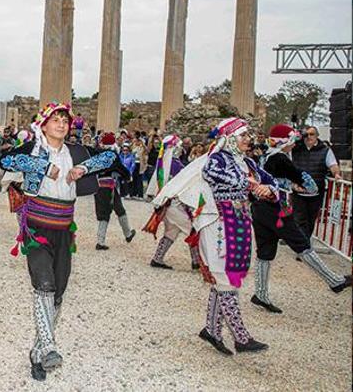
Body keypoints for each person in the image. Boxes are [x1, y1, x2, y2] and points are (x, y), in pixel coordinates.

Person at [0, 102, 116, 381]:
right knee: (44, 284)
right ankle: (50, 346)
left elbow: (111, 158)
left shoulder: (76, 151)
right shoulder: (33, 149)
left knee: (59, 291)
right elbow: (6, 160)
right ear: (43, 125)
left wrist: (84, 167)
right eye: (56, 120)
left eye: (65, 120)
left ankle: (38, 351)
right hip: (36, 226)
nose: (62, 125)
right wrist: (43, 166)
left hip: (64, 229)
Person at [153, 118, 275, 356]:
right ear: (230, 138)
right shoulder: (216, 159)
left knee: (228, 276)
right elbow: (213, 175)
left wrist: (268, 189)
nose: (248, 139)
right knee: (223, 275)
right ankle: (240, 337)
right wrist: (250, 184)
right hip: (217, 221)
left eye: (248, 135)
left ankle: (212, 330)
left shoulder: (248, 162)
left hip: (240, 221)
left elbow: (269, 182)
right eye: (243, 135)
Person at [250, 124, 351, 313]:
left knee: (265, 250)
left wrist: (288, 185)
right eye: (292, 140)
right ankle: (334, 281)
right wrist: (301, 185)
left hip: (259, 207)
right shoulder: (281, 158)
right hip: (277, 208)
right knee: (301, 243)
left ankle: (261, 294)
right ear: (285, 141)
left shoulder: (266, 156)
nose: (295, 143)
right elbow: (307, 183)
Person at [143, 135, 200, 270]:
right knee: (193, 230)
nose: (181, 149)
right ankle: (197, 261)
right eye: (179, 146)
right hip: (175, 205)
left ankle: (157, 259)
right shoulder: (176, 165)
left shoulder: (164, 165)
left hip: (168, 205)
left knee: (171, 232)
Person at [290, 125, 342, 238]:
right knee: (299, 219)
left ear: (317, 136)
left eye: (312, 134)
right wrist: (297, 137)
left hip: (316, 192)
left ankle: (305, 242)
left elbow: (333, 165)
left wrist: (336, 174)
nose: (309, 137)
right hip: (298, 191)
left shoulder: (325, 150)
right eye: (306, 134)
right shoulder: (296, 148)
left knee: (311, 220)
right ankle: (302, 245)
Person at [91, 133, 135, 250]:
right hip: (109, 185)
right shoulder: (112, 155)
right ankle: (102, 241)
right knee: (114, 209)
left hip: (98, 185)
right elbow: (120, 168)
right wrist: (127, 176)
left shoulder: (96, 154)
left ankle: (127, 234)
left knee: (106, 210)